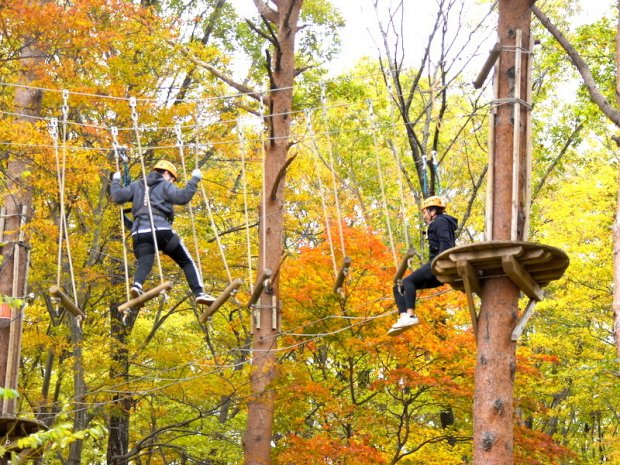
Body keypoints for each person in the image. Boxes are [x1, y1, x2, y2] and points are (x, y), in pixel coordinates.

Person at [110, 160, 215, 306]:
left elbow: (117, 196)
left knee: (144, 263)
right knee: (186, 261)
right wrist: (194, 180)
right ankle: (199, 293)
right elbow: (182, 197)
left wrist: (115, 180)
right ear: (166, 173)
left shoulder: (136, 185)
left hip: (139, 233)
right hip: (161, 230)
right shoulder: (165, 185)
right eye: (172, 179)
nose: (172, 182)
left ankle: (137, 285)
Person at [388, 195, 458, 336]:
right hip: (437, 268)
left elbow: (446, 243)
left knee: (408, 281)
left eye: (425, 212)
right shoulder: (437, 223)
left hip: (438, 263)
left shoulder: (441, 222)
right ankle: (404, 317)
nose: (424, 216)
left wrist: (442, 261)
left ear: (433, 211)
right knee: (398, 287)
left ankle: (410, 316)